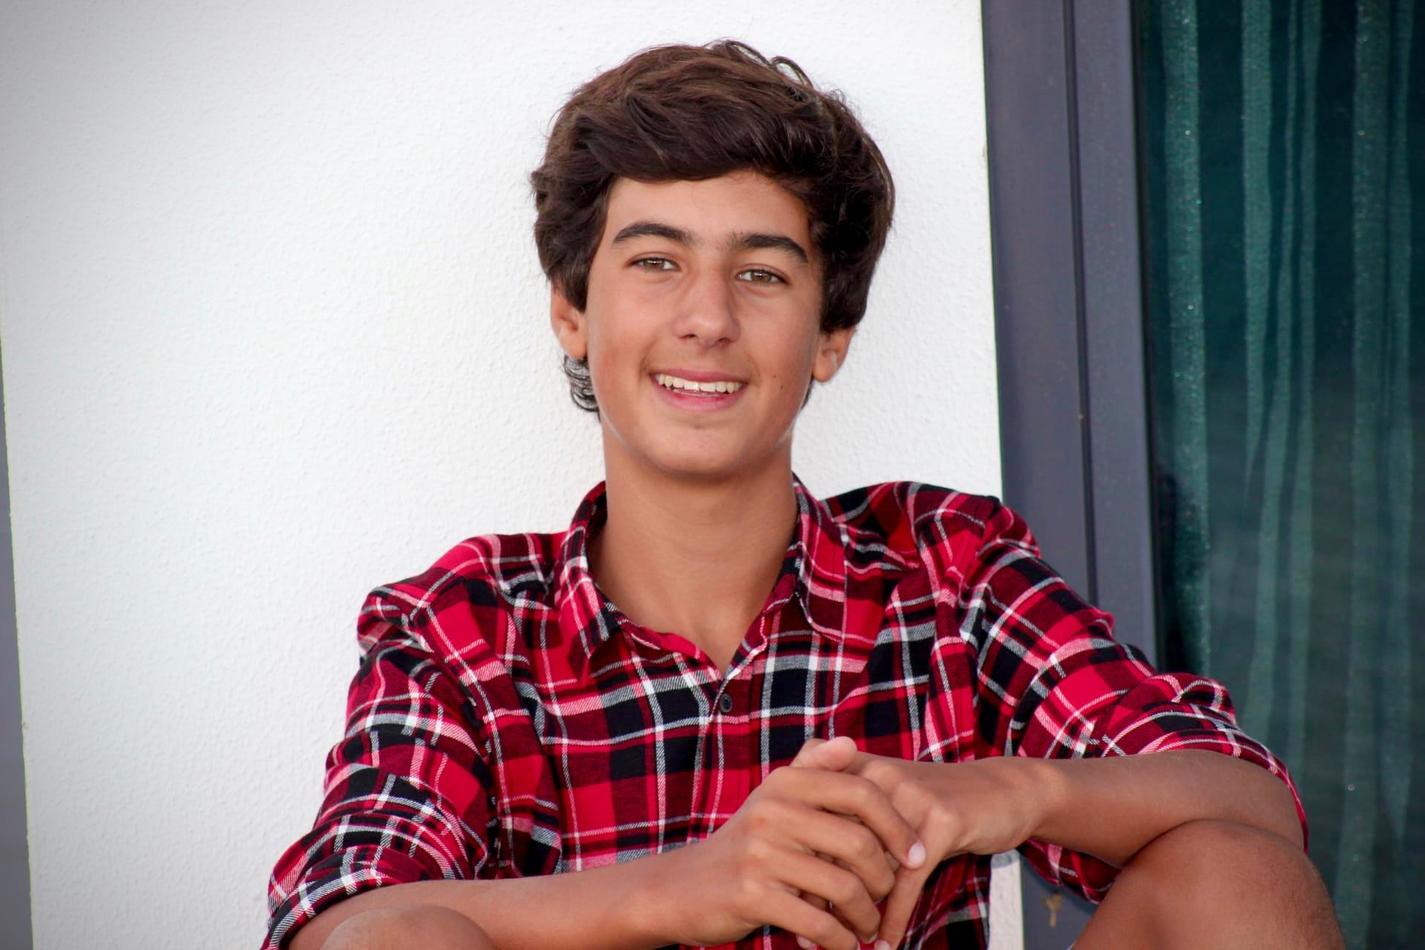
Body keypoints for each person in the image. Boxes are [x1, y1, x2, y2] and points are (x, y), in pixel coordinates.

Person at [263, 39, 1341, 950]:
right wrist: (688, 884)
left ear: (830, 335)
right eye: (655, 262)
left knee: (1232, 875)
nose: (707, 318)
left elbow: (1251, 803)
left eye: (762, 272)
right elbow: (339, 923)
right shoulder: (462, 626)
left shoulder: (943, 564)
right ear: (572, 313)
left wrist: (1011, 792)